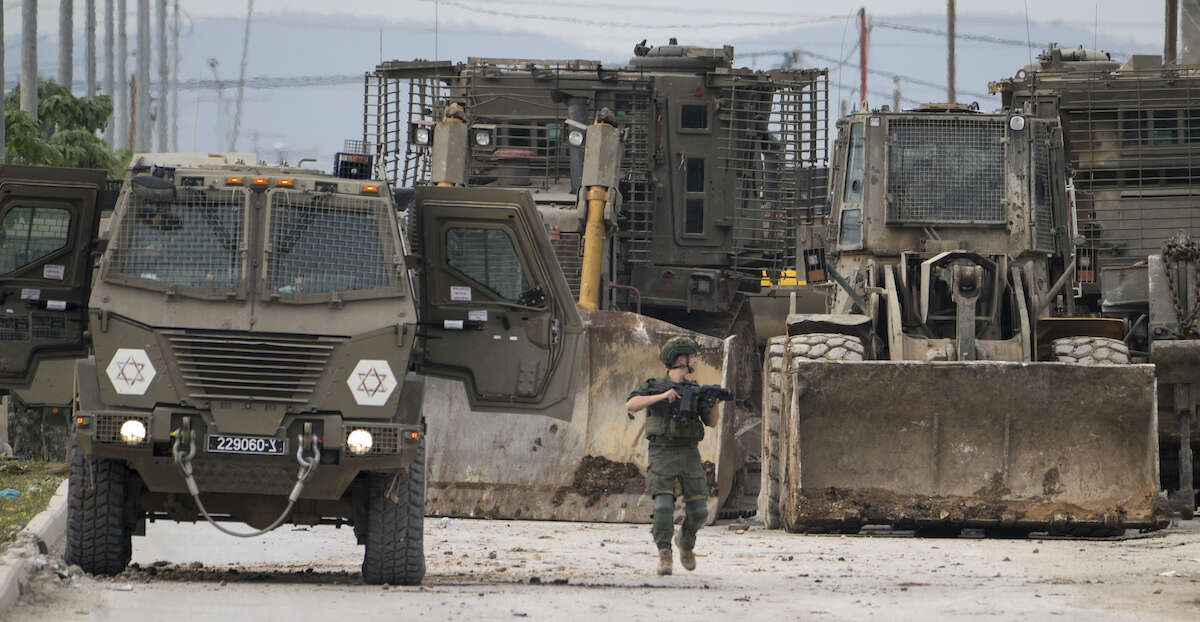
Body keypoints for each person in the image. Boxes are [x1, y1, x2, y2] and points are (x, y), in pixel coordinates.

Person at [624, 336, 721, 576]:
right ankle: (664, 551)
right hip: (662, 452)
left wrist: (715, 402)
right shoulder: (653, 385)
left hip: (689, 453)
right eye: (693, 357)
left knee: (699, 511)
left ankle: (685, 542)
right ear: (681, 359)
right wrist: (662, 396)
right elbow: (631, 405)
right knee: (664, 506)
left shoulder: (695, 390)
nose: (696, 361)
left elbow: (712, 423)